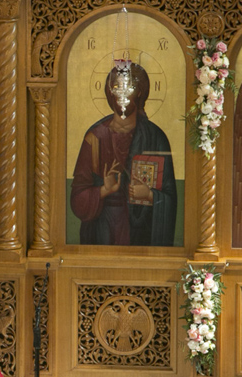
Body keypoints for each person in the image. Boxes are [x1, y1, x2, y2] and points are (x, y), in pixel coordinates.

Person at [70, 62, 177, 246]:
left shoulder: (156, 138)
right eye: (116, 87)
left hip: (141, 235)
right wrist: (104, 190)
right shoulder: (95, 138)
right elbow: (77, 200)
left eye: (129, 87)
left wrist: (150, 195)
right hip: (102, 233)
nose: (122, 94)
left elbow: (170, 198)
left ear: (141, 92)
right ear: (109, 91)